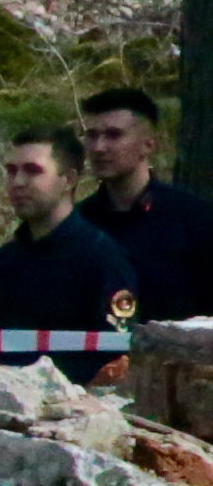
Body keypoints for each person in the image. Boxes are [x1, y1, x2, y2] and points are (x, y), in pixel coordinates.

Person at [0, 126, 141, 369]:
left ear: (69, 180)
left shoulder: (102, 260)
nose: (18, 182)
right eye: (11, 171)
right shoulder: (5, 261)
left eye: (33, 171)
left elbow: (116, 354)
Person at [76, 85, 213, 322]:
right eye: (91, 135)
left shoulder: (194, 220)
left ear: (148, 144)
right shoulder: (78, 224)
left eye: (114, 135)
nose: (98, 148)